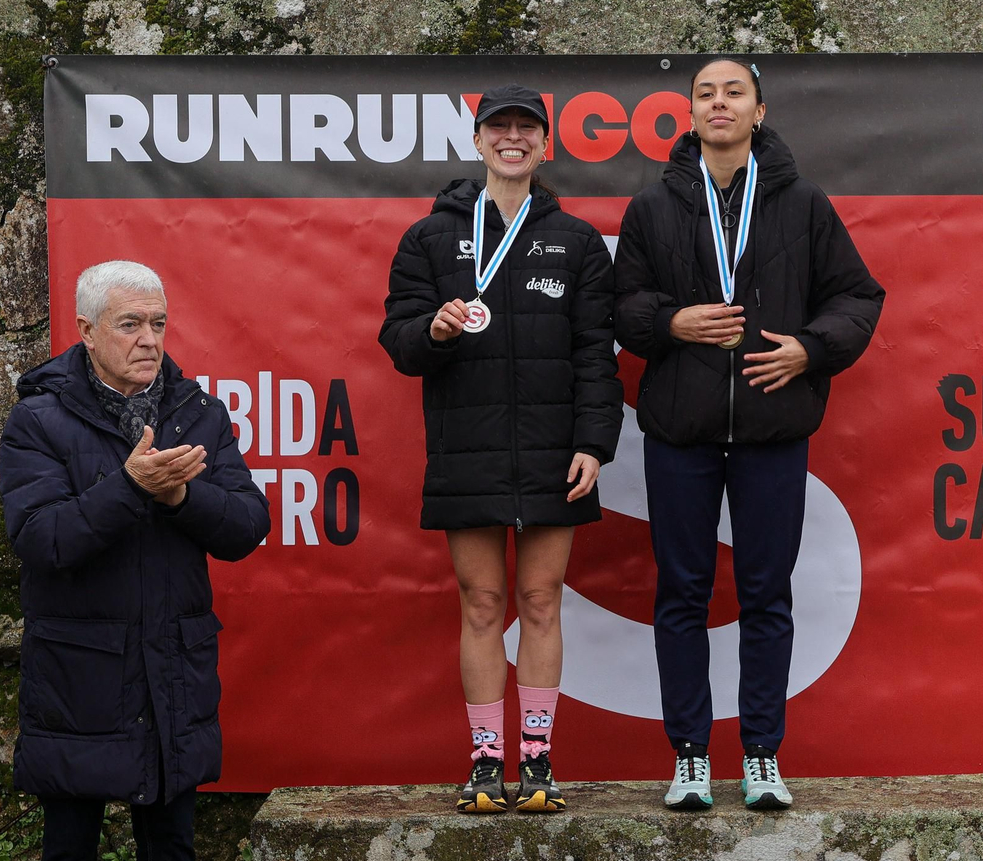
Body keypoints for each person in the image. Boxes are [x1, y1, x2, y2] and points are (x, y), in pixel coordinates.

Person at [614, 58, 884, 811]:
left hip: (771, 431)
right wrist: (670, 322)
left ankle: (762, 753)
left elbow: (858, 296)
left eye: (734, 92)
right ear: (690, 114)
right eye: (706, 93)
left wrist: (811, 348)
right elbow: (620, 307)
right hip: (681, 434)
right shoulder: (653, 208)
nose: (719, 102)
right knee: (683, 594)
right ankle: (691, 755)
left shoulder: (802, 204)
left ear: (758, 112)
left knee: (766, 595)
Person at [0, 260, 270, 861]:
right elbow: (42, 538)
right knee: (68, 853)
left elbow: (247, 525)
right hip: (77, 671)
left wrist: (182, 498)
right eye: (130, 324)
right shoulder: (38, 418)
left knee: (171, 848)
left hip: (170, 668)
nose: (149, 339)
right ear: (86, 331)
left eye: (157, 323)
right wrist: (127, 487)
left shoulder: (198, 412)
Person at [379, 83, 620, 814]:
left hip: (554, 449)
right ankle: (487, 763)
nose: (512, 139)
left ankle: (538, 761)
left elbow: (595, 355)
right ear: (479, 140)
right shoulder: (429, 236)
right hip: (469, 445)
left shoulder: (576, 241)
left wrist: (593, 443)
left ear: (544, 143)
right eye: (499, 128)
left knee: (541, 600)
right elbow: (398, 339)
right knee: (483, 602)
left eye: (527, 129)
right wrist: (435, 331)